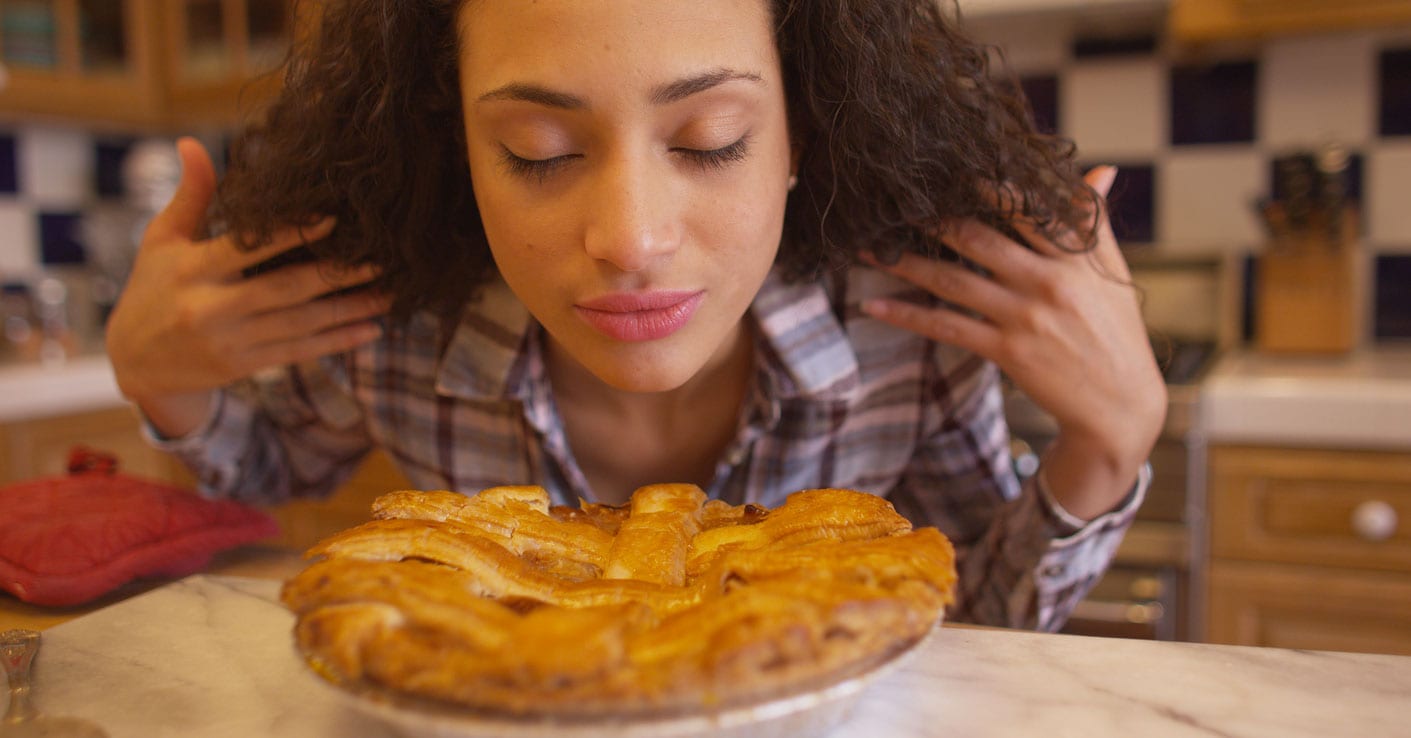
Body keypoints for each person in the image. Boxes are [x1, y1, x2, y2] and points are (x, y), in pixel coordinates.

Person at [104, 0, 1166, 631]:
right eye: (538, 154)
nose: (630, 237)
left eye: (709, 139)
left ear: (803, 133)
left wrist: (1109, 444)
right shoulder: (395, 325)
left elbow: (976, 627)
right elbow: (269, 471)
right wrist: (163, 379)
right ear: (455, 153)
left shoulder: (909, 332)